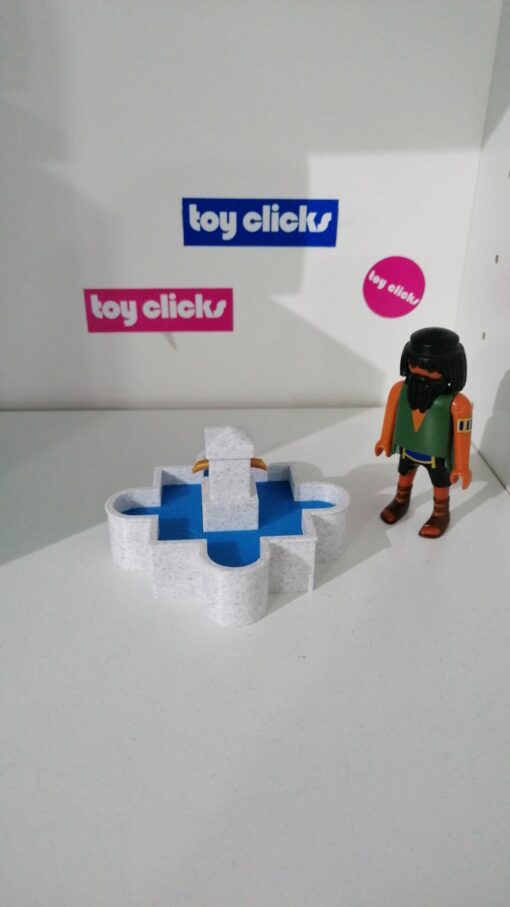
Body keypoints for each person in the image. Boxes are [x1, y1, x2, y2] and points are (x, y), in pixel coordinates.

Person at [375, 327, 472, 538]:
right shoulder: (399, 391)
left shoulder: (458, 404)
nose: (419, 372)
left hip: (437, 455)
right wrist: (385, 439)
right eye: (414, 365)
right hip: (407, 447)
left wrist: (461, 466)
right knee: (404, 474)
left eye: (429, 368)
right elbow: (390, 416)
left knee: (440, 483)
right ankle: (400, 501)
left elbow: (462, 435)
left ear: (450, 368)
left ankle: (440, 513)